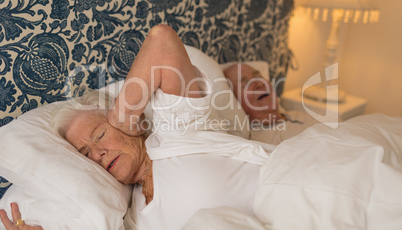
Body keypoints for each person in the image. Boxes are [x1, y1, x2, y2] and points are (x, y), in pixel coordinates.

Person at [0, 24, 273, 230]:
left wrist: (123, 115)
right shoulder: (133, 217)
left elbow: (162, 40)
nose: (97, 154)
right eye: (85, 154)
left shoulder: (177, 131)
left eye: (100, 134)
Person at [224, 63, 318, 145]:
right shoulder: (262, 143)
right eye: (245, 84)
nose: (259, 84)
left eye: (258, 77)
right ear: (235, 101)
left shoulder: (299, 116)